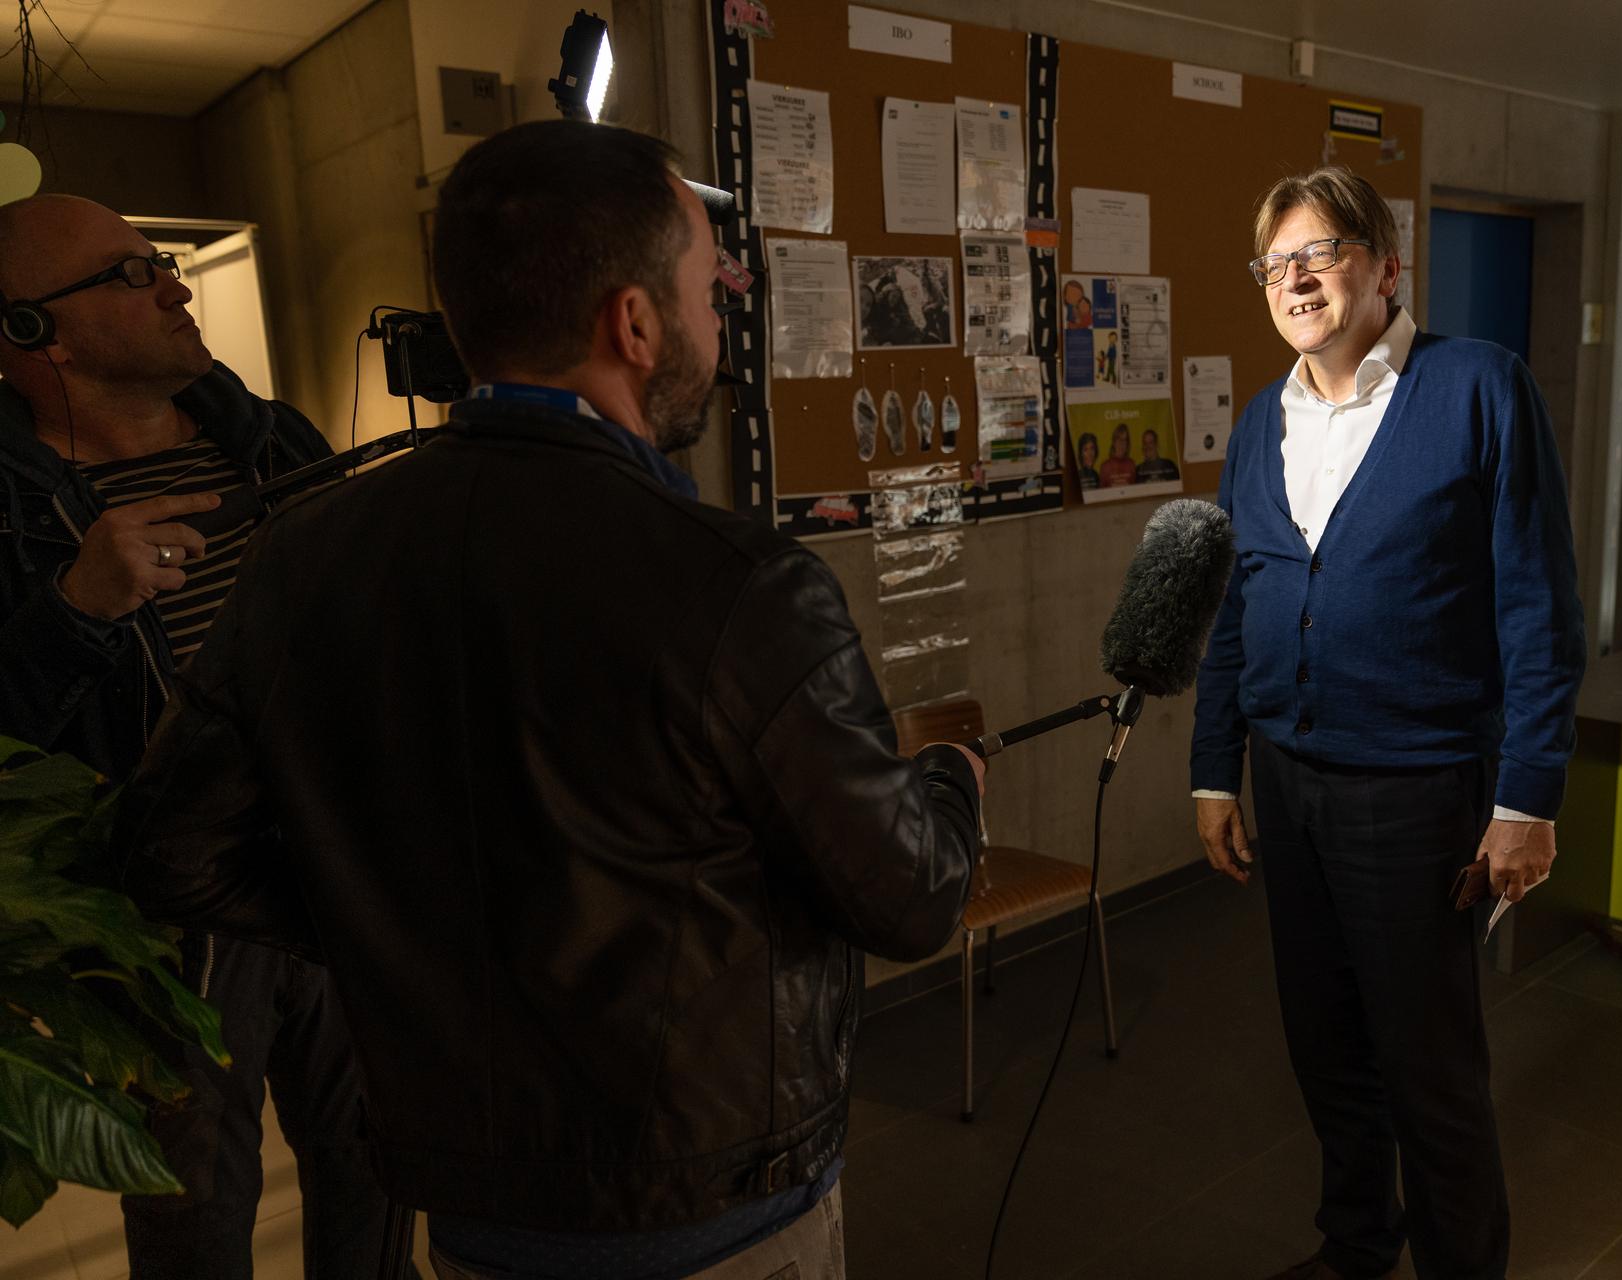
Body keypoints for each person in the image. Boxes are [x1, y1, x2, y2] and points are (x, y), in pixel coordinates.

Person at [113, 120, 984, 1280]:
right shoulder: (740, 584)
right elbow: (912, 894)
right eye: (704, 294)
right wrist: (950, 788)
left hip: (472, 1219)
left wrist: (396, 920)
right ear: (633, 322)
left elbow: (171, 846)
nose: (719, 325)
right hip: (711, 1217)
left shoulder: (302, 559)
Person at [1190, 167, 1585, 1280]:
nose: (1297, 277)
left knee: (1429, 1066)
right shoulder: (1263, 418)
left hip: (1417, 790)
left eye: (1322, 253)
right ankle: (1357, 1244)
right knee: (1326, 1049)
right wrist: (1215, 766)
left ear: (1385, 266)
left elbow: (1541, 609)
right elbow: (1238, 604)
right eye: (1277, 263)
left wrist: (1526, 797)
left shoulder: (1478, 388)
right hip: (1289, 778)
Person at [0, 195, 398, 1277]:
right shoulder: (12, 513)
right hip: (162, 921)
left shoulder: (272, 439)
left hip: (334, 874)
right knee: (195, 1228)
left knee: (378, 1184)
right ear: (37, 332)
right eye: (131, 273)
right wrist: (75, 611)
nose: (173, 283)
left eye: (162, 259)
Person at [1098, 422, 1136, 488]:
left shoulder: (1131, 464)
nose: (1122, 444)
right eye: (1119, 439)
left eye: (1124, 440)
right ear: (1114, 442)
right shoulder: (1105, 467)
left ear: (1127, 444)